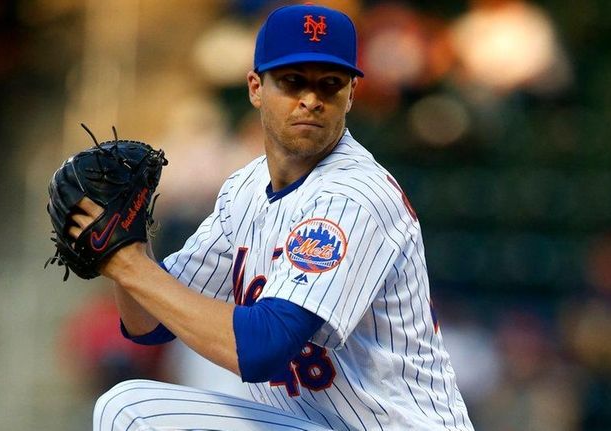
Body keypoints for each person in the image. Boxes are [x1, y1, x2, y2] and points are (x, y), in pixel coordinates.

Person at [70, 4, 474, 430]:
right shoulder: (245, 189)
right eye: (292, 81)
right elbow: (149, 324)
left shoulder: (354, 195)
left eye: (330, 85)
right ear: (255, 88)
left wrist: (129, 265)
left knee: (127, 410)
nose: (312, 99)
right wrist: (127, 245)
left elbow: (264, 347)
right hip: (314, 423)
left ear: (351, 94)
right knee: (132, 406)